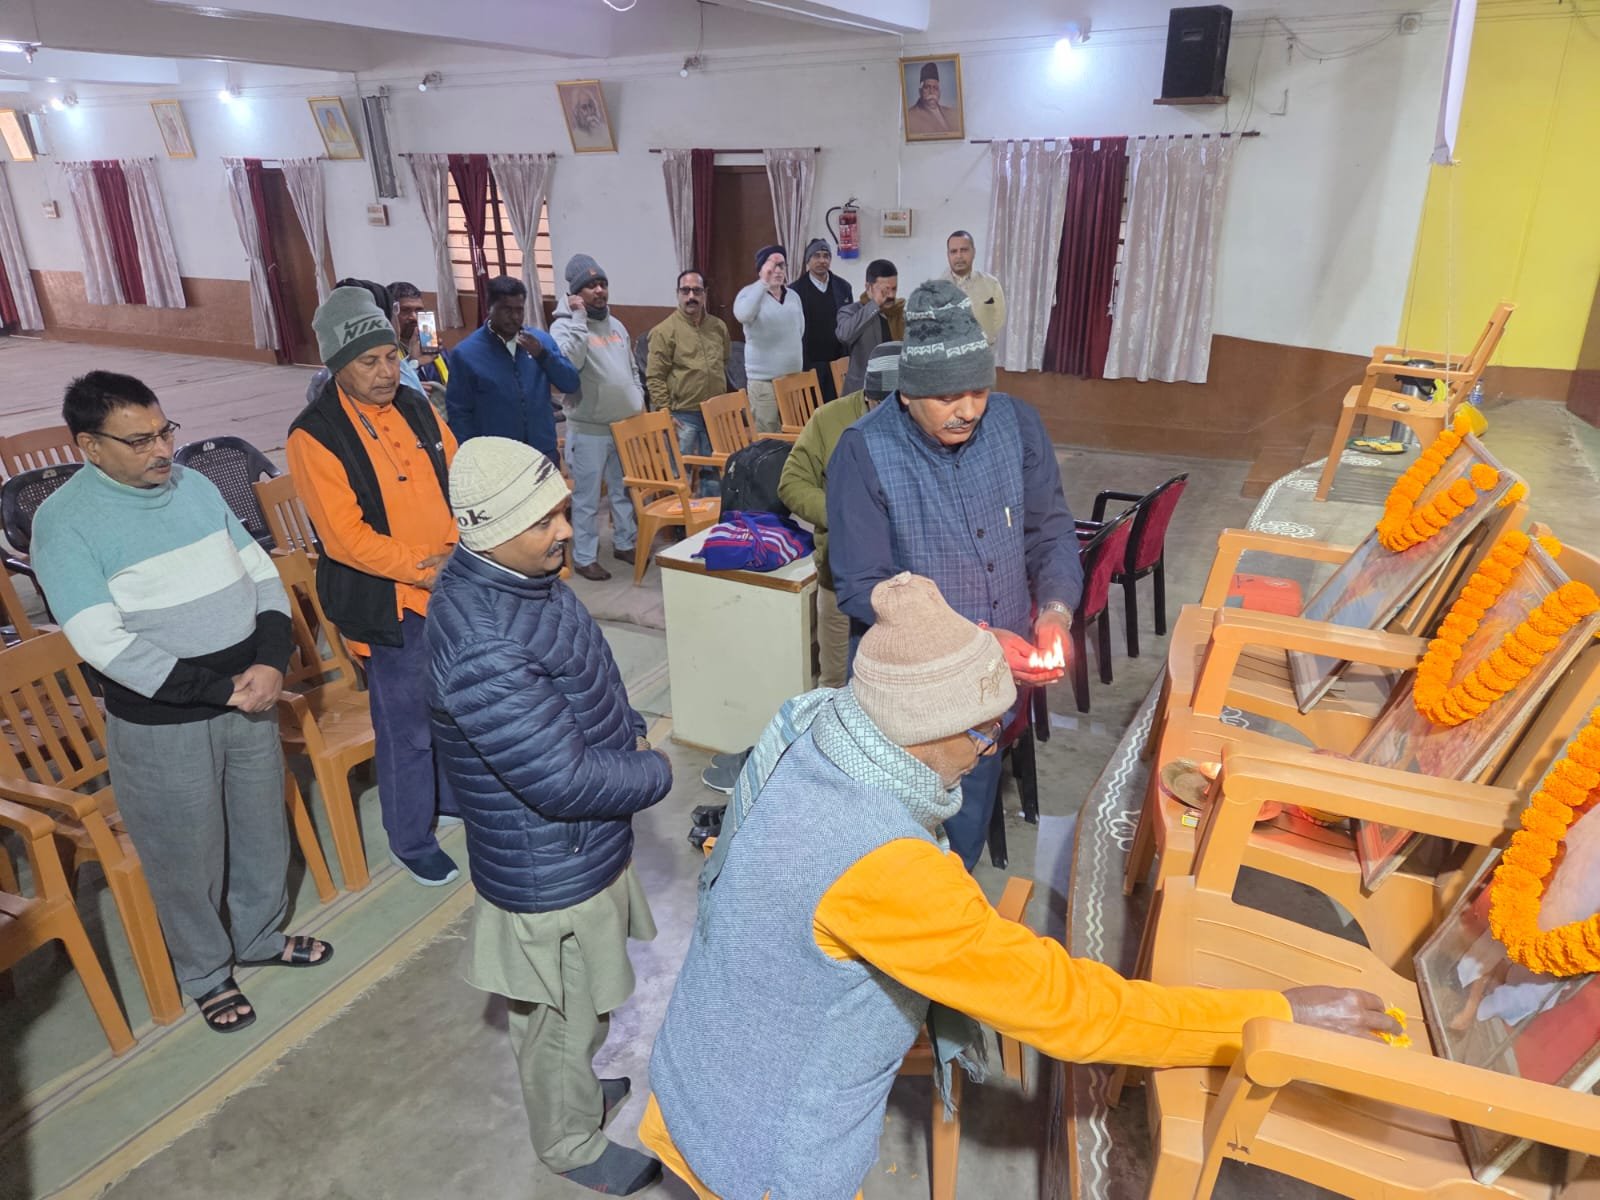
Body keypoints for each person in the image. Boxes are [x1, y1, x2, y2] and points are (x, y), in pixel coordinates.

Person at [640, 572, 1402, 1200]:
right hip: (762, 1152)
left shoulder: (815, 724)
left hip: (693, 1068)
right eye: (984, 732)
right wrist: (1266, 1016)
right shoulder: (884, 866)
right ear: (922, 729)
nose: (988, 753)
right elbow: (1069, 1011)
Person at [32, 371, 332, 1034]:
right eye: (139, 441)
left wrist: (269, 661)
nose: (163, 449)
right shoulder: (64, 523)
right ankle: (205, 972)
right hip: (166, 722)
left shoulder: (194, 486)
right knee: (184, 853)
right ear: (89, 445)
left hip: (250, 695)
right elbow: (102, 642)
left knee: (260, 828)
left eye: (164, 431)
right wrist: (220, 689)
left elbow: (261, 574)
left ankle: (258, 937)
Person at [430, 437, 672, 1196]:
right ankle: (568, 1142)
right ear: (489, 530)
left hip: (576, 848)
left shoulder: (527, 581)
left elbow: (583, 677)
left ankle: (577, 1090)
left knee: (581, 1009)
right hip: (548, 865)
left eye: (563, 510)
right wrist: (656, 769)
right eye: (543, 521)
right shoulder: (482, 641)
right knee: (560, 1018)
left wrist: (628, 723)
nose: (565, 530)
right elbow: (560, 779)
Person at [827, 278, 1080, 870]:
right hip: (909, 712)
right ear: (908, 392)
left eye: (979, 390)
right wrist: (977, 640)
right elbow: (863, 588)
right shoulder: (864, 452)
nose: (967, 410)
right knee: (897, 855)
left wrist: (1055, 611)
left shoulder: (1017, 426)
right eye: (946, 396)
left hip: (990, 701)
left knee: (961, 842)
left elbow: (1050, 531)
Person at [286, 285, 463, 887]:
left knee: (454, 705)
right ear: (339, 365)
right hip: (391, 601)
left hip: (448, 585)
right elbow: (346, 540)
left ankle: (446, 799)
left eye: (391, 356)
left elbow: (456, 473)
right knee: (406, 724)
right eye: (369, 361)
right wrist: (428, 568)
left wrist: (464, 546)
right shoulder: (315, 434)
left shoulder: (415, 405)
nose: (387, 372)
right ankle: (410, 838)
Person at [777, 341, 898, 689]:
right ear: (867, 395)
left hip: (903, 584)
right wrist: (845, 515)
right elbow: (792, 482)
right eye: (879, 406)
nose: (888, 418)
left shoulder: (925, 421)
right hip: (841, 578)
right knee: (835, 683)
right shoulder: (830, 420)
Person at [550, 254, 643, 582]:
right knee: (587, 498)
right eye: (590, 286)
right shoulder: (563, 326)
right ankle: (585, 557)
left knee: (623, 491)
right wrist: (578, 317)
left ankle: (625, 542)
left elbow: (631, 367)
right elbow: (569, 365)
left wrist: (637, 397)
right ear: (575, 293)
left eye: (602, 284)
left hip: (623, 426)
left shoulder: (616, 325)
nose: (599, 290)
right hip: (589, 429)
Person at [445, 274, 579, 463]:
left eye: (519, 310)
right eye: (506, 310)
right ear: (489, 308)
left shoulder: (540, 341)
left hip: (542, 453)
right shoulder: (466, 354)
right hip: (497, 459)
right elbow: (459, 413)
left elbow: (570, 383)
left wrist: (543, 355)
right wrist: (471, 458)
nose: (515, 317)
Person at [646, 269, 730, 497]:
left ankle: (709, 516)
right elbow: (654, 377)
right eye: (686, 290)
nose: (691, 296)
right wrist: (665, 412)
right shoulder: (664, 331)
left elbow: (724, 361)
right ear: (677, 294)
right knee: (679, 476)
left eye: (696, 291)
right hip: (682, 416)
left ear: (705, 294)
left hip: (713, 414)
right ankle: (679, 519)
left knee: (714, 472)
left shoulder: (718, 327)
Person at [732, 245, 804, 434]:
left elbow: (800, 330)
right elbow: (743, 314)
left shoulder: (793, 296)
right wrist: (763, 283)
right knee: (768, 434)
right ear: (761, 268)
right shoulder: (749, 294)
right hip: (764, 382)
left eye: (781, 266)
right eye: (772, 266)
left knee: (793, 431)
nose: (777, 271)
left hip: (792, 379)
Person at [793, 237, 852, 402]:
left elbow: (849, 324)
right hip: (810, 362)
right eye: (816, 256)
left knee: (839, 406)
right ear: (808, 260)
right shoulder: (796, 291)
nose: (822, 260)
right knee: (813, 407)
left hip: (838, 361)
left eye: (826, 256)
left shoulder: (843, 287)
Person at [834, 259, 902, 396]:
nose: (891, 295)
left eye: (894, 289)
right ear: (868, 287)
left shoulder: (899, 313)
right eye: (884, 290)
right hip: (862, 392)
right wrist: (874, 304)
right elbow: (844, 335)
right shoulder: (851, 311)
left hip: (895, 389)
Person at [388, 280, 449, 416]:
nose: (414, 317)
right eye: (405, 311)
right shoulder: (385, 352)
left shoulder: (434, 349)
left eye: (418, 310)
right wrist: (409, 386)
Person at [944, 230, 1006, 347]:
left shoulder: (991, 284)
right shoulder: (935, 289)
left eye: (964, 250)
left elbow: (999, 318)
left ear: (973, 252)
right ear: (948, 255)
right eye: (953, 251)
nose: (959, 256)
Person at [906, 61, 960, 136]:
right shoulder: (910, 117)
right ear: (920, 91)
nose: (931, 92)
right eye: (927, 87)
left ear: (939, 92)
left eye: (935, 88)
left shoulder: (953, 113)